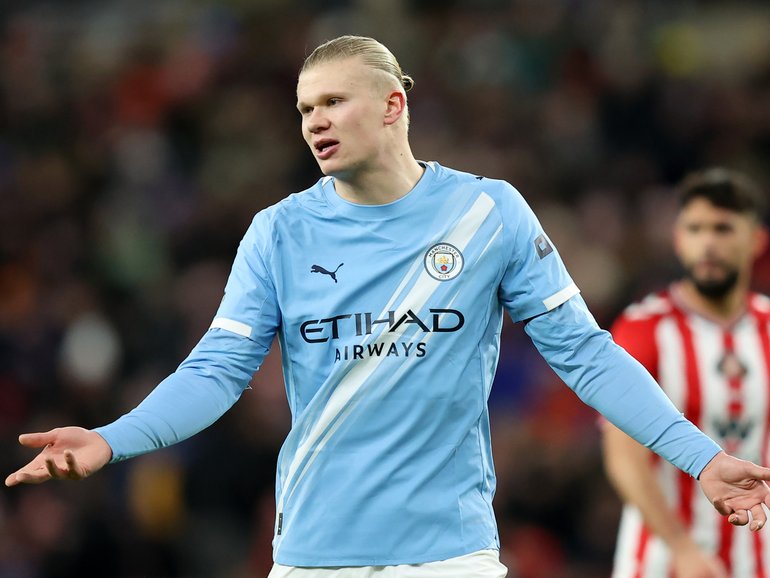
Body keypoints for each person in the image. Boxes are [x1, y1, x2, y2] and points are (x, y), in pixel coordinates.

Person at [5, 36, 770, 578]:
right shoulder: (278, 232)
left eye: (334, 101)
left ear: (394, 103)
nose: (314, 122)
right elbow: (217, 370)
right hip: (310, 555)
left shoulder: (487, 213)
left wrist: (701, 458)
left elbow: (587, 353)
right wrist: (113, 440)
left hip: (451, 556)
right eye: (306, 109)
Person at [603, 168, 770, 578]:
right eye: (695, 229)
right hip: (662, 561)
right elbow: (624, 458)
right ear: (679, 240)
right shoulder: (644, 328)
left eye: (723, 228)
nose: (708, 243)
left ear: (756, 241)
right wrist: (682, 548)